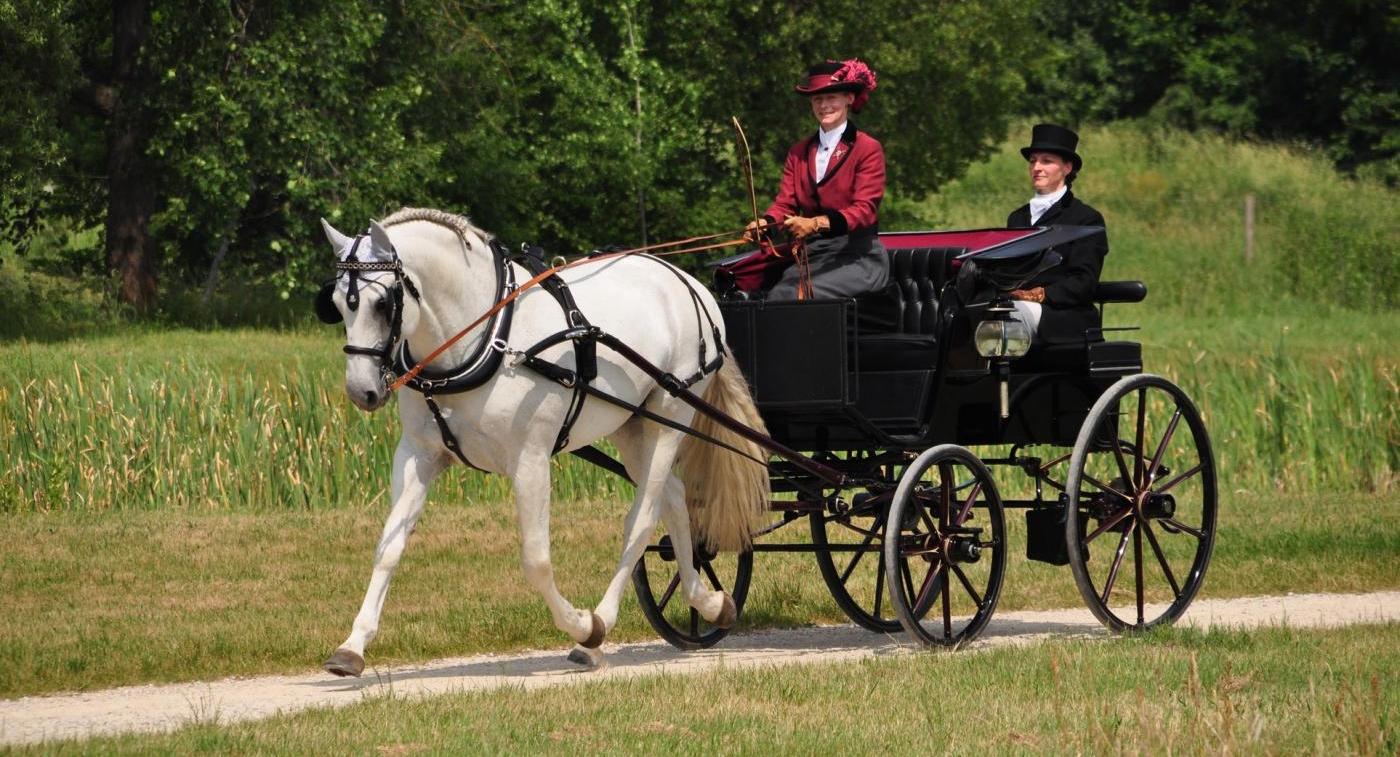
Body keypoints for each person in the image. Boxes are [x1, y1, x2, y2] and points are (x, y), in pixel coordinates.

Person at [744, 59, 888, 300]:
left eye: (831, 97)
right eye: (817, 99)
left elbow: (865, 209)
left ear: (849, 98)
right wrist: (765, 223)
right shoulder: (798, 152)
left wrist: (816, 223)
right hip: (813, 256)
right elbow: (785, 204)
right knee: (752, 290)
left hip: (858, 256)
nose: (824, 105)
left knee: (790, 296)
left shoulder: (867, 148)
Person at [1004, 123, 1109, 344]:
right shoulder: (1017, 218)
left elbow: (1083, 281)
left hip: (1064, 316)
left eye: (1046, 161)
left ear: (1067, 168)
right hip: (1015, 305)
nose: (1036, 167)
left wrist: (1038, 294)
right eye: (1033, 161)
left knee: (1008, 316)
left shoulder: (1085, 218)